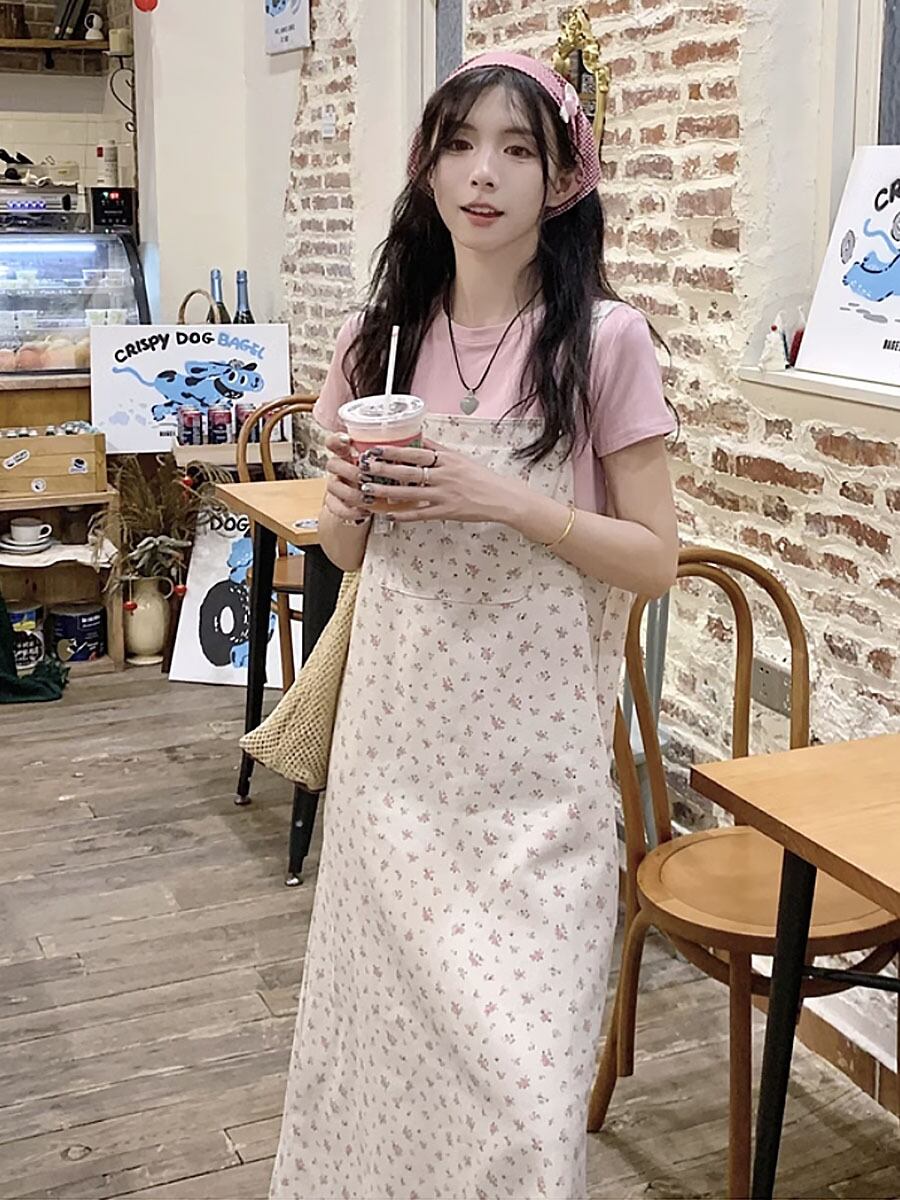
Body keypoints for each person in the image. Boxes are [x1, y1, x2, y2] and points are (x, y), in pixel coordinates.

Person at [270, 49, 678, 1200]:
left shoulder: (604, 341)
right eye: (459, 145)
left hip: (533, 783)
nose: (483, 173)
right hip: (394, 766)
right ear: (428, 169)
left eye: (515, 148)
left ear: (562, 178)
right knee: (385, 1063)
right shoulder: (379, 340)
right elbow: (346, 555)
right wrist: (345, 502)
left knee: (528, 1108)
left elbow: (654, 561)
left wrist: (507, 498)